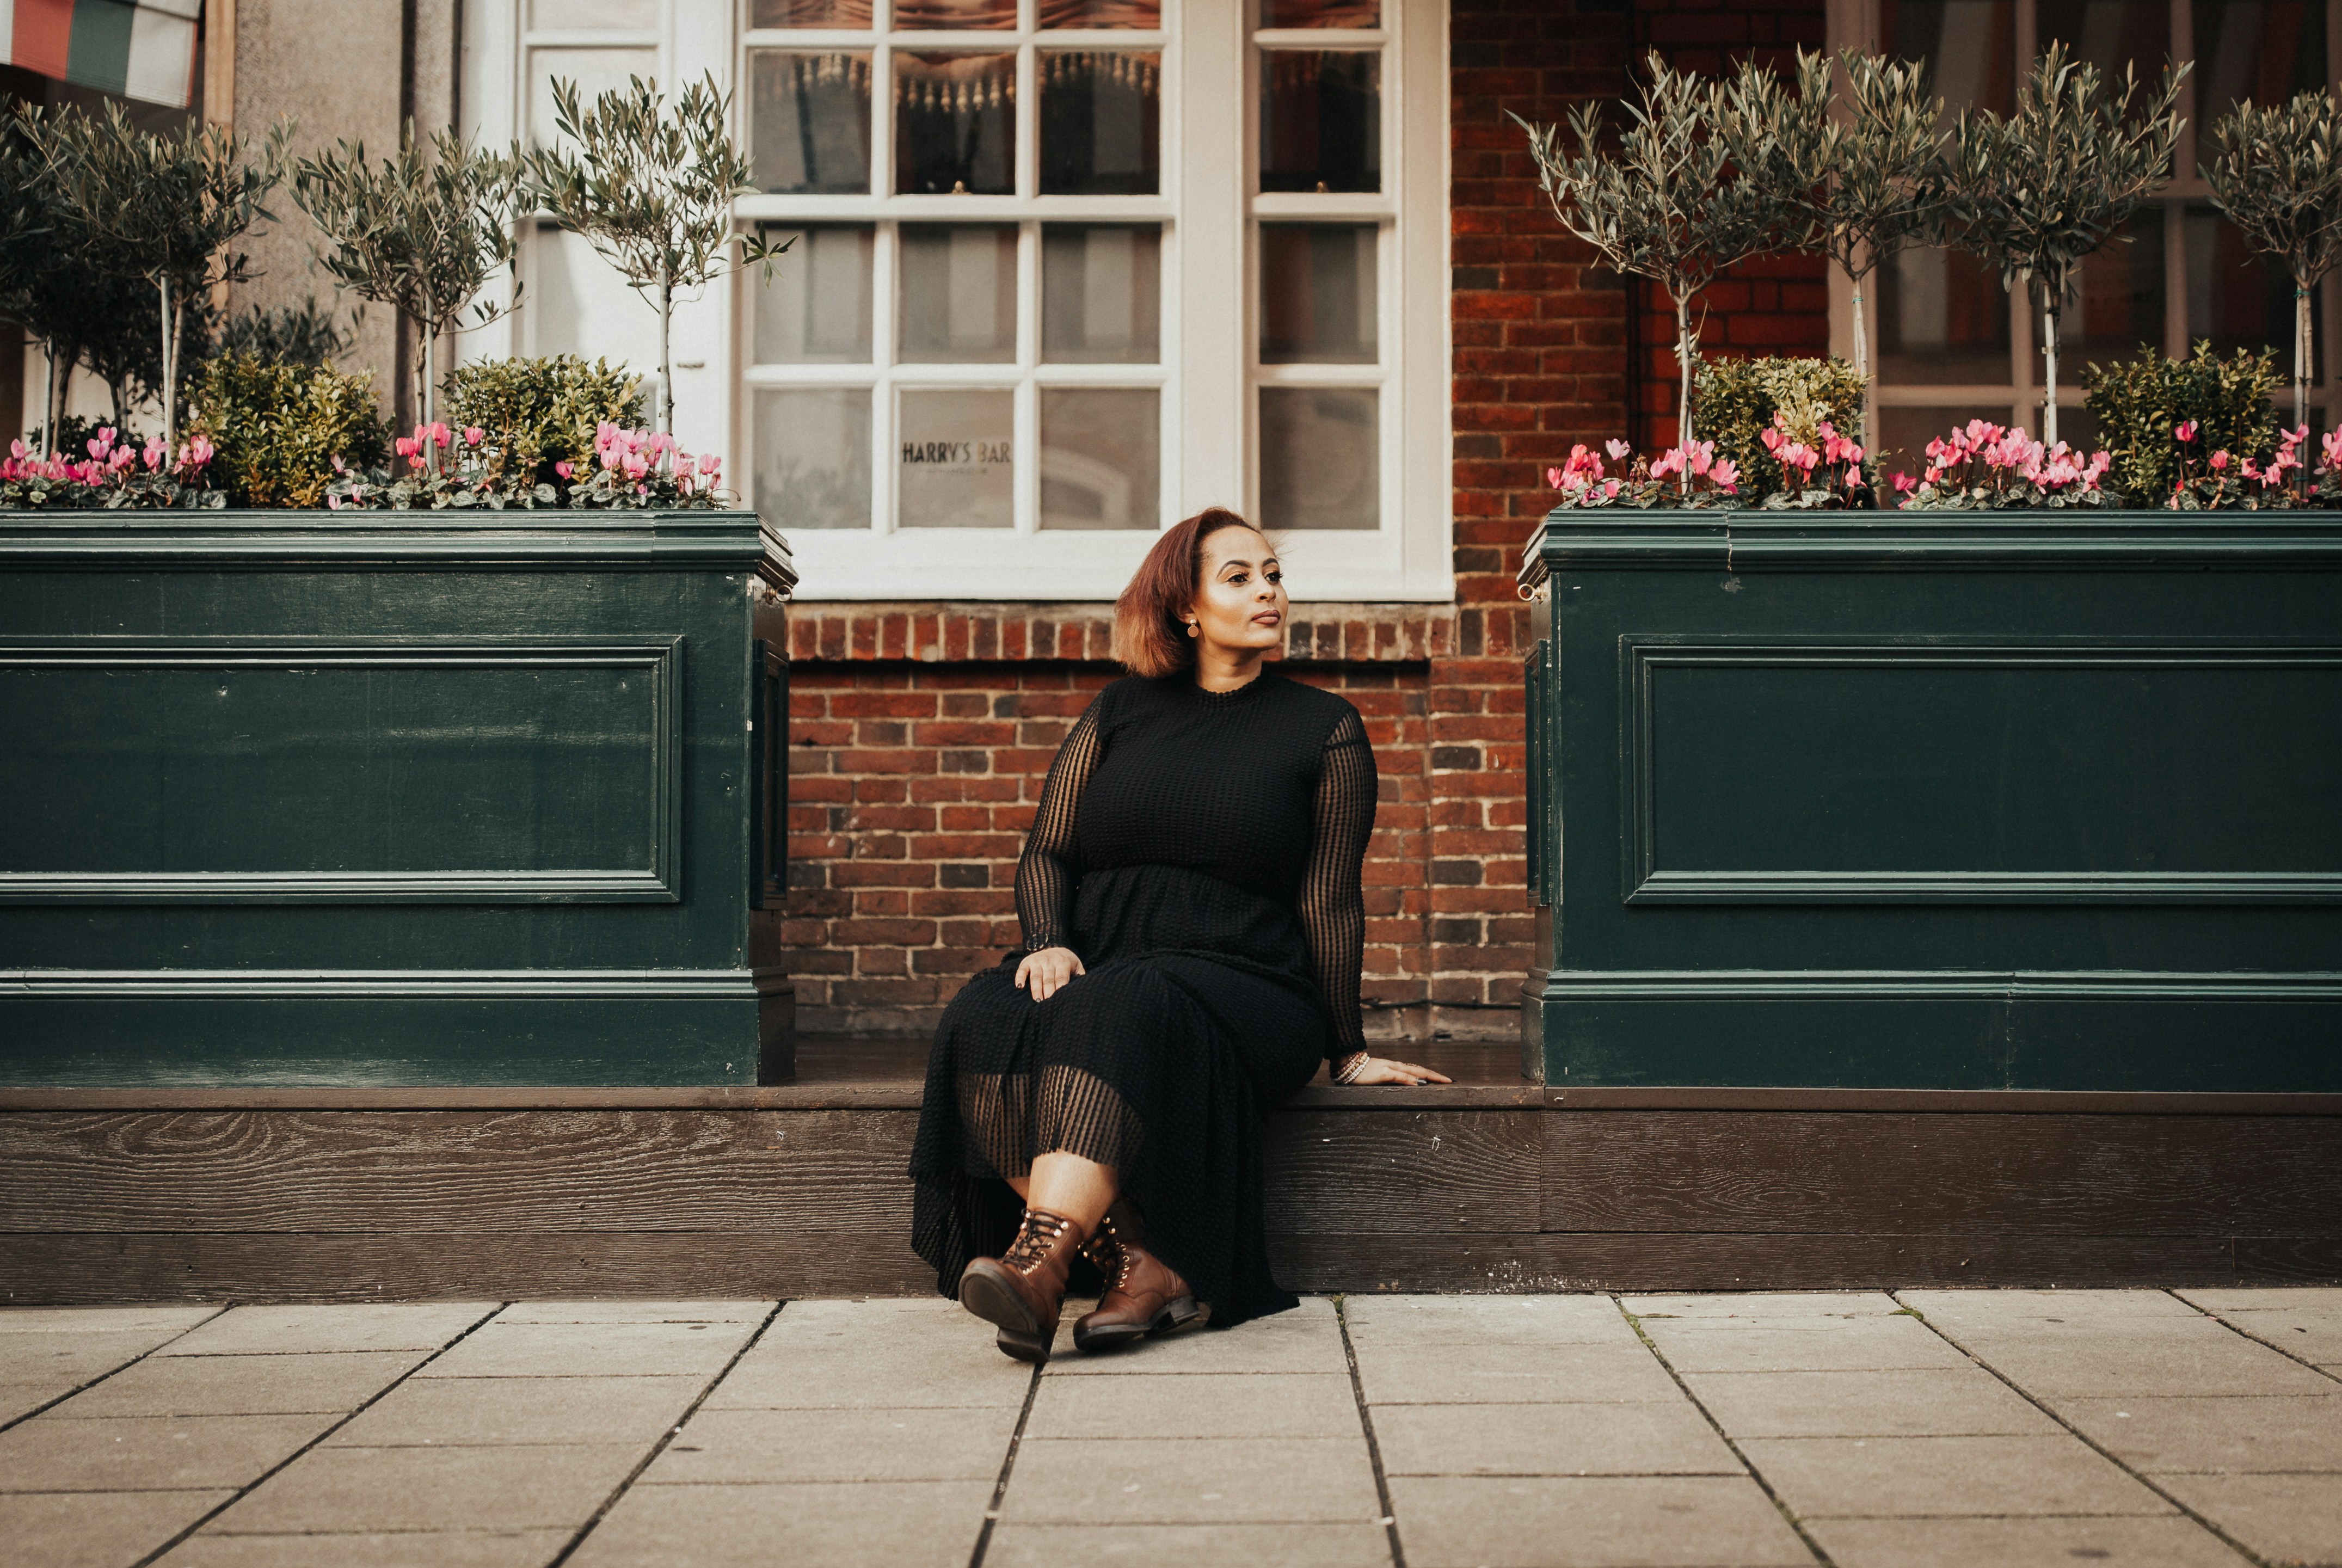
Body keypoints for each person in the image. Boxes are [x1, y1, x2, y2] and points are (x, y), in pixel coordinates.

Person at [908, 507, 1452, 1364]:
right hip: (1112, 964)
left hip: (1248, 983)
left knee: (1122, 998)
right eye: (1239, 576)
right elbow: (1048, 849)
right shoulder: (1120, 712)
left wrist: (1345, 1046)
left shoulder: (1325, 726)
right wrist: (1047, 937)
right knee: (984, 1011)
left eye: (1272, 573)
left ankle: (1038, 1260)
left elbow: (1330, 900)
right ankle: (1139, 1264)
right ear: (1187, 608)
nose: (1268, 590)